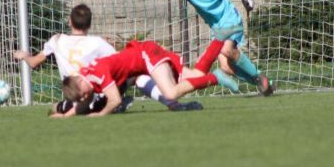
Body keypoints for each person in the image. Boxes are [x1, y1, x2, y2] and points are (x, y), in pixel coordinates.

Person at [13, 4, 192, 115]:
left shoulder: (56, 40)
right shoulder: (97, 43)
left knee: (54, 108)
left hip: (76, 96)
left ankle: (107, 105)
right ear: (89, 24)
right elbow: (119, 63)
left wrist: (24, 56)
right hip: (98, 93)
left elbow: (35, 63)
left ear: (69, 22)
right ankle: (170, 102)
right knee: (135, 75)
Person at [157, 0, 274, 96]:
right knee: (225, 67)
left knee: (227, 50)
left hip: (230, 18)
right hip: (216, 27)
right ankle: (264, 84)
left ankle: (258, 76)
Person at [56, 39, 223, 118]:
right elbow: (86, 101)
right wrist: (66, 116)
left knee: (172, 92)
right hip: (141, 64)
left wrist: (100, 114)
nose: (85, 98)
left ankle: (216, 77)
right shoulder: (86, 78)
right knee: (194, 76)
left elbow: (114, 100)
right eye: (81, 97)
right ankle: (221, 39)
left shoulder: (97, 72)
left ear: (79, 81)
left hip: (146, 55)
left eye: (82, 94)